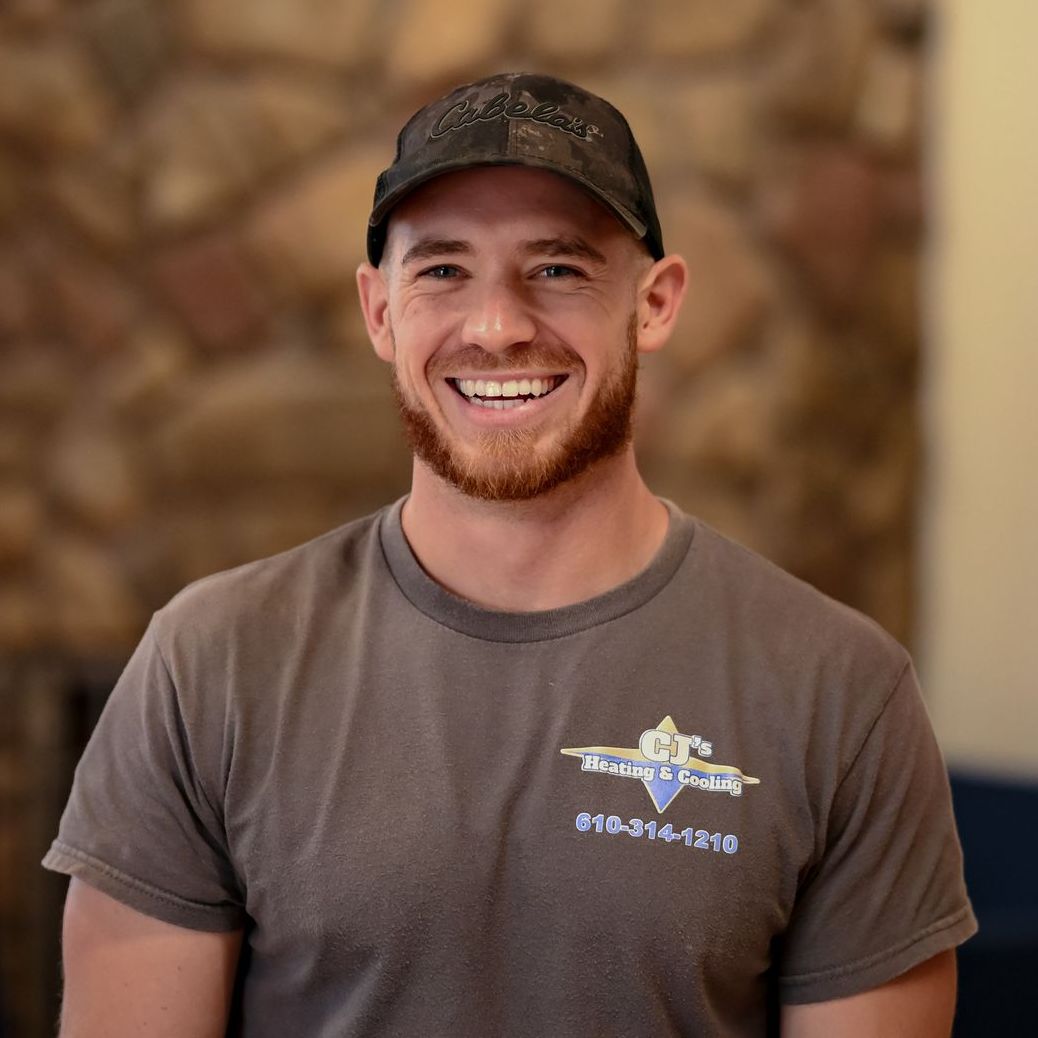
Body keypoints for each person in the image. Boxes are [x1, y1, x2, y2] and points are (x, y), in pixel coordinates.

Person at [44, 72, 975, 1037]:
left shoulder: (840, 693)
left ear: (654, 304)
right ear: (379, 312)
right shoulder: (210, 664)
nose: (496, 326)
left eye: (559, 269)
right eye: (442, 270)